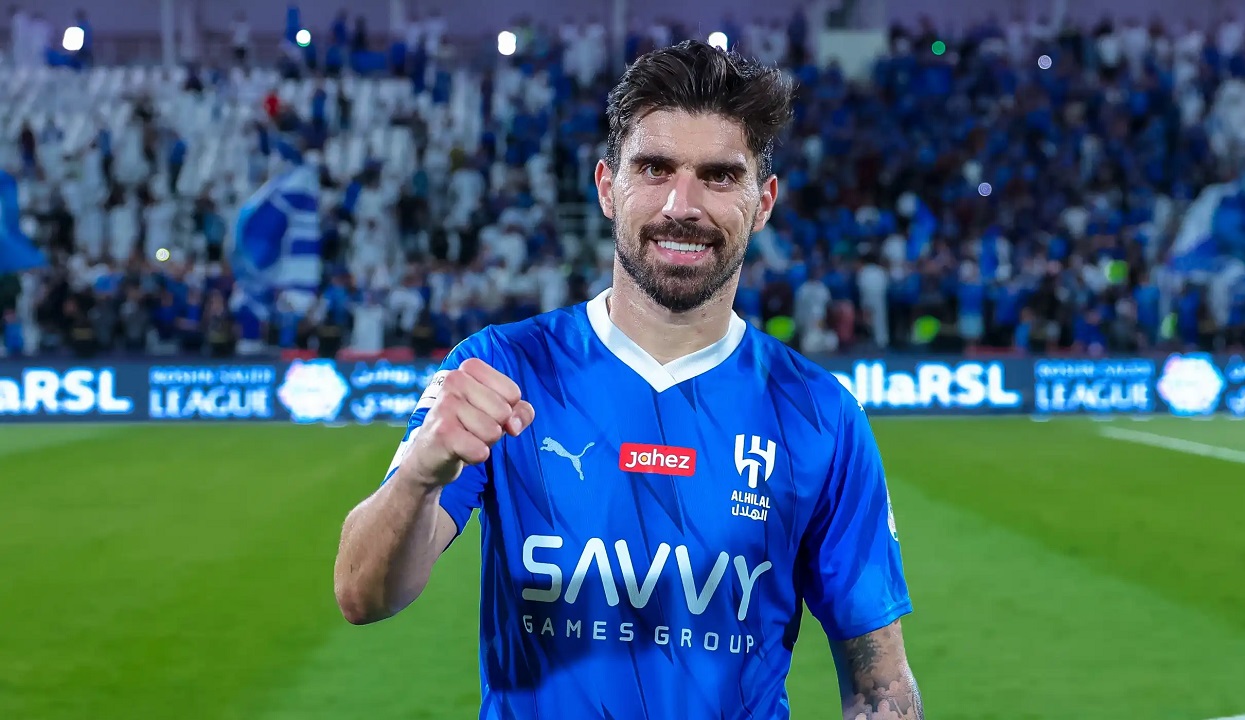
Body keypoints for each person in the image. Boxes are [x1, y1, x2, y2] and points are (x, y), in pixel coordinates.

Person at [333, 40, 923, 719]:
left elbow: (879, 685)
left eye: (719, 176)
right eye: (654, 168)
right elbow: (361, 595)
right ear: (608, 188)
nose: (682, 204)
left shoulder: (819, 414)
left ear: (763, 203)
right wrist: (418, 476)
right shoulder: (503, 368)